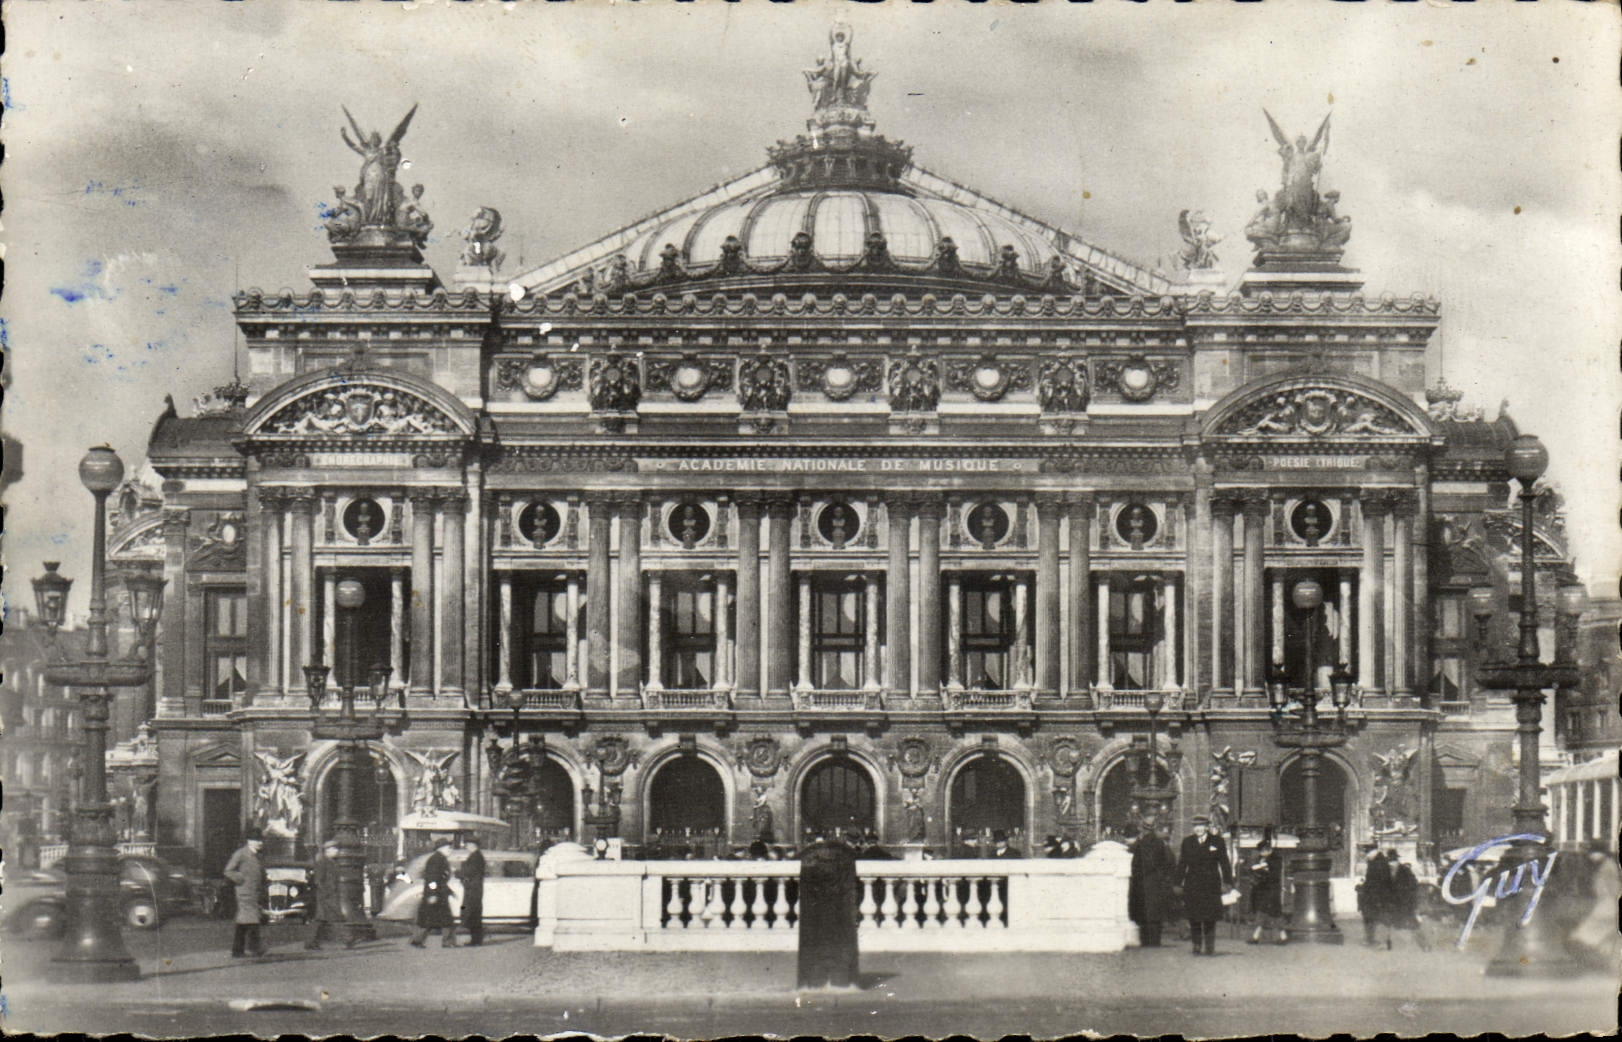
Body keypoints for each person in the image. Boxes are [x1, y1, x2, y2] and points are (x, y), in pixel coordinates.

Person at [797, 828, 860, 989]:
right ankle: (842, 980)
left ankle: (813, 981)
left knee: (814, 942)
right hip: (840, 910)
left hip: (815, 910)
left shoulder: (808, 858)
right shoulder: (846, 857)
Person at [1175, 815, 1234, 956]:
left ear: (1207, 827)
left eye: (1201, 826)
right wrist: (1177, 883)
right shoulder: (1187, 842)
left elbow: (1224, 863)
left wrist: (1228, 882)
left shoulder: (1217, 841)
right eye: (1196, 826)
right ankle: (1196, 945)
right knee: (1194, 917)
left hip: (1211, 885)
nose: (1198, 829)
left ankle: (1209, 946)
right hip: (1193, 884)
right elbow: (1182, 864)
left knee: (1210, 917)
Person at [1128, 824, 1178, 947]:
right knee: (1156, 913)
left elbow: (1133, 863)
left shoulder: (1139, 844)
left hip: (1142, 883)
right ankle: (1155, 940)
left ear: (1143, 831)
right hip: (1156, 882)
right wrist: (1164, 876)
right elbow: (1168, 862)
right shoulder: (1160, 844)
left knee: (1143, 913)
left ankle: (1145, 940)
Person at [223, 828, 269, 958]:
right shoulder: (241, 854)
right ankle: (255, 948)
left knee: (244, 921)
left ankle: (237, 950)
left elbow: (260, 872)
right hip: (244, 891)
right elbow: (228, 870)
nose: (259, 843)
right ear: (249, 841)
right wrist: (241, 878)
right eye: (256, 840)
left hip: (255, 892)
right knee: (253, 919)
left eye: (260, 840)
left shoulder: (259, 855)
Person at [305, 838, 354, 951]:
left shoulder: (332, 862)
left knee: (321, 919)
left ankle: (311, 942)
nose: (337, 851)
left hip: (329, 894)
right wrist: (325, 893)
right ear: (328, 850)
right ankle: (348, 939)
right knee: (337, 917)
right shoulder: (323, 862)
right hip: (326, 895)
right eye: (335, 849)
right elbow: (318, 880)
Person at [410, 836, 459, 948]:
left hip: (438, 894)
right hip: (436, 895)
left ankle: (418, 940)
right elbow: (432, 879)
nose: (450, 850)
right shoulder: (436, 860)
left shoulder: (440, 859)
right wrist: (432, 894)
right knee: (441, 919)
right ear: (440, 848)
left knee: (431, 919)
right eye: (448, 847)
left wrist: (448, 891)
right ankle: (447, 942)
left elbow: (439, 879)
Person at [1247, 830, 1287, 945]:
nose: (1261, 853)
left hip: (1271, 890)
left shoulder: (1273, 860)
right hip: (1267, 890)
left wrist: (1261, 871)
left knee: (1265, 912)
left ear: (1267, 850)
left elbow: (1273, 875)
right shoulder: (1269, 859)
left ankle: (1256, 937)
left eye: (1262, 851)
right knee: (1274, 913)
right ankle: (1282, 936)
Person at [1357, 846, 1393, 950]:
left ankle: (1374, 940)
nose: (1366, 856)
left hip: (1376, 896)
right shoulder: (1378, 861)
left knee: (1375, 917)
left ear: (1372, 852)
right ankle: (1374, 939)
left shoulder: (1377, 863)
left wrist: (1363, 886)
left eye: (1367, 853)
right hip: (1376, 895)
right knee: (1376, 918)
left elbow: (1376, 881)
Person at [1387, 854, 1421, 950]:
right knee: (1391, 923)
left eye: (1392, 862)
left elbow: (1413, 885)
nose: (1391, 864)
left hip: (1406, 902)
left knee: (1411, 924)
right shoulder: (1389, 871)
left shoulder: (1405, 871)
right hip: (1395, 902)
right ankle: (1390, 943)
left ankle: (1422, 943)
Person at [457, 836, 486, 947]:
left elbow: (470, 871)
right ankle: (476, 939)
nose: (466, 846)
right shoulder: (476, 856)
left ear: (473, 845)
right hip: (474, 888)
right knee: (474, 913)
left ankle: (476, 940)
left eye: (468, 844)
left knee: (473, 913)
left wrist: (458, 873)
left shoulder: (476, 857)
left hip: (473, 889)